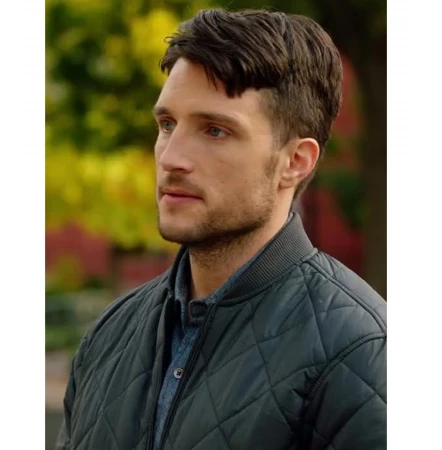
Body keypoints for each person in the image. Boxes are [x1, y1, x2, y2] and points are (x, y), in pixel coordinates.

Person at [56, 8, 386, 450]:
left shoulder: (361, 351)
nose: (171, 157)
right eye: (167, 124)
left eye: (214, 131)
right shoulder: (109, 334)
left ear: (295, 161)